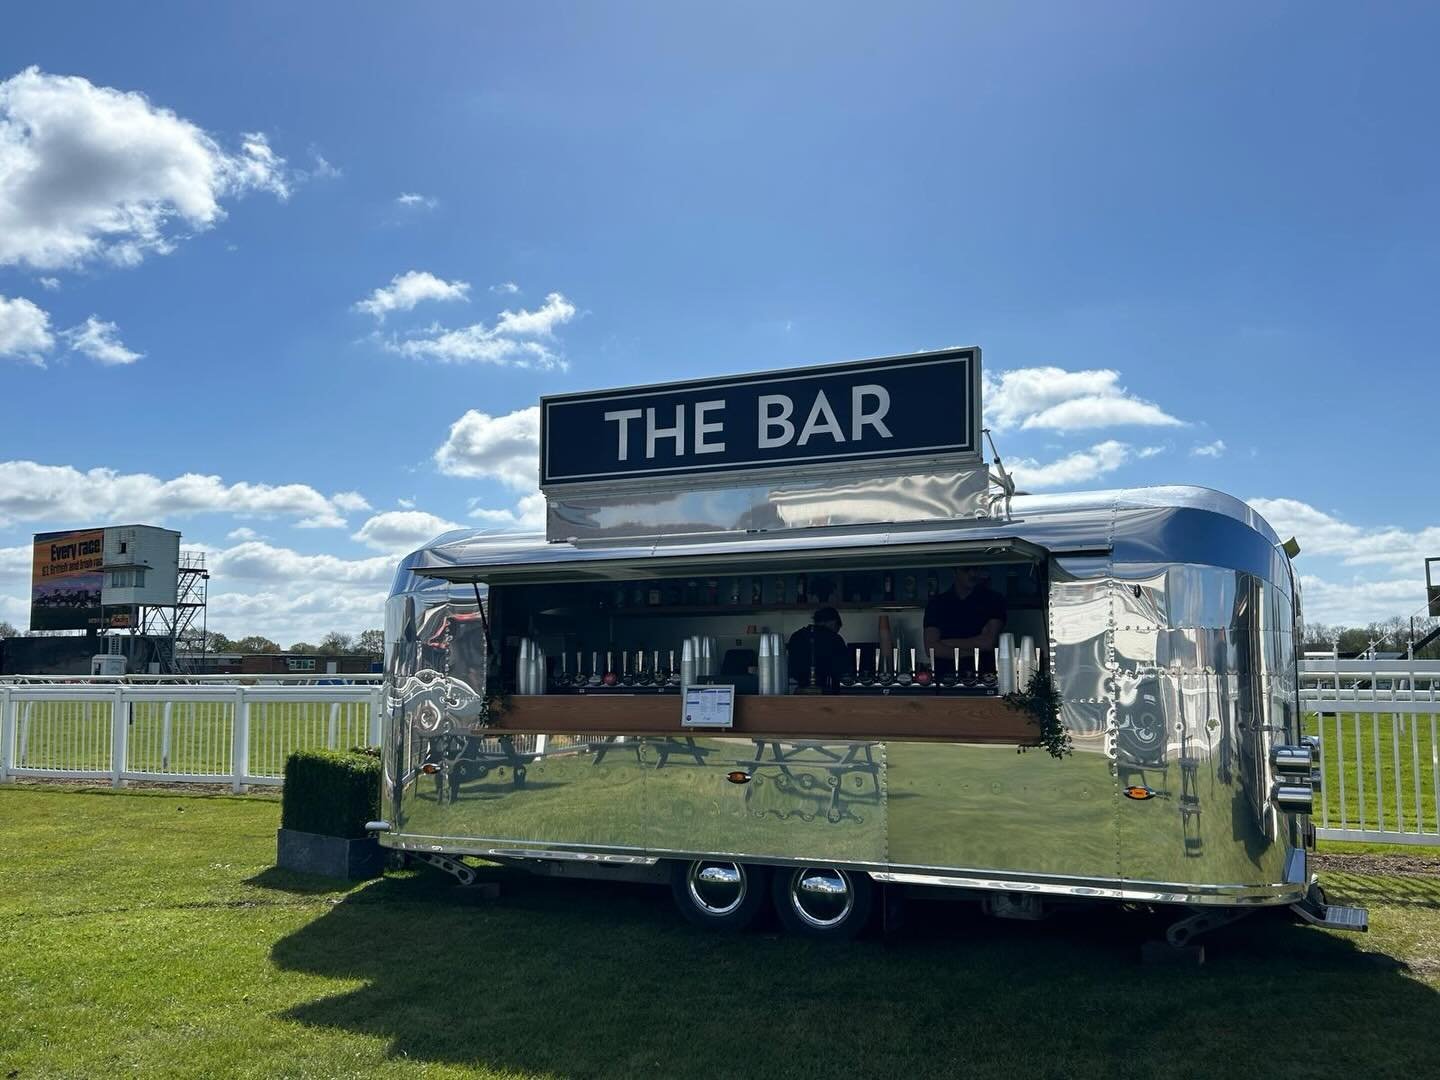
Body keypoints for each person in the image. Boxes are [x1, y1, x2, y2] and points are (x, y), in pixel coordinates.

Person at [923, 567, 1007, 673]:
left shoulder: (994, 600)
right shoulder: (936, 604)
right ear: (955, 571)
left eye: (976, 569)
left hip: (985, 678)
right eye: (966, 569)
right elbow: (931, 649)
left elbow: (988, 642)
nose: (972, 573)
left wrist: (946, 643)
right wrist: (973, 650)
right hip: (945, 679)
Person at [787, 606, 849, 691]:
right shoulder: (835, 639)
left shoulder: (797, 636)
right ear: (833, 622)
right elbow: (844, 669)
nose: (836, 632)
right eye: (837, 629)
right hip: (828, 692)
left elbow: (792, 670)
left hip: (802, 691)